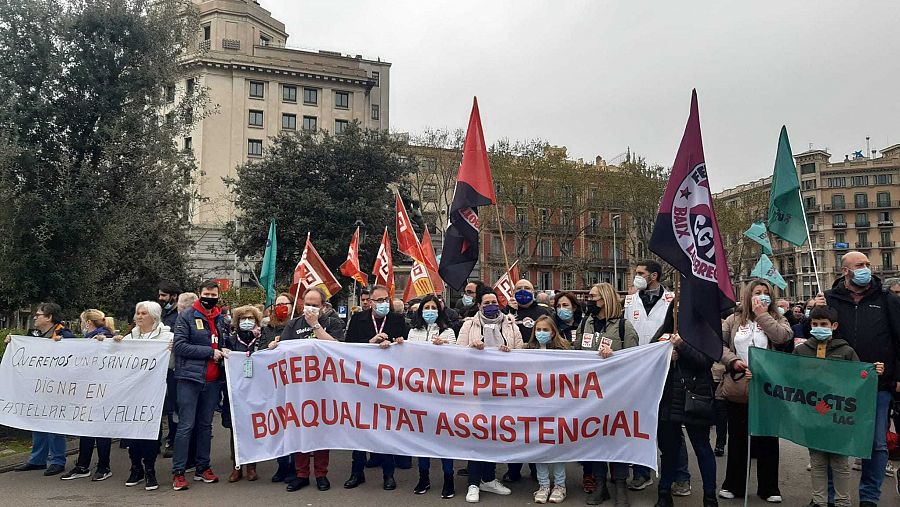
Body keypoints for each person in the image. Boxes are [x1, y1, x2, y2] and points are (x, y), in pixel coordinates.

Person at [813, 251, 900, 507]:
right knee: (831, 443)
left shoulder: (886, 299)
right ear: (845, 271)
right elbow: (816, 337)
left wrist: (897, 377)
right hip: (834, 386)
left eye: (867, 264)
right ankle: (830, 497)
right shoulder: (829, 299)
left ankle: (869, 497)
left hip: (877, 385)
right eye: (859, 265)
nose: (866, 268)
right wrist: (814, 312)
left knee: (876, 444)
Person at [719, 279, 793, 503]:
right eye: (757, 292)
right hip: (739, 386)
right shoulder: (733, 320)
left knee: (768, 439)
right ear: (748, 296)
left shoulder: (778, 318)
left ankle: (769, 487)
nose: (761, 296)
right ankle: (734, 484)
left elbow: (782, 338)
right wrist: (732, 361)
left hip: (767, 388)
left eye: (765, 293)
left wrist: (763, 315)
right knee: (738, 439)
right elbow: (719, 346)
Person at [793, 305, 874, 507]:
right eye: (815, 324)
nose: (819, 327)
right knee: (818, 461)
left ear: (834, 326)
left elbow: (858, 379)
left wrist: (873, 371)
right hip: (812, 415)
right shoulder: (801, 351)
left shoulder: (846, 351)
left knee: (839, 463)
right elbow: (787, 376)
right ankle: (820, 501)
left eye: (823, 324)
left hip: (838, 416)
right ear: (810, 324)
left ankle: (842, 502)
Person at [623, 260, 685, 493]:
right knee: (640, 423)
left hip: (666, 367)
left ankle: (681, 475)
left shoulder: (672, 300)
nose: (636, 277)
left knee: (671, 424)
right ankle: (641, 473)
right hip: (637, 368)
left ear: (654, 276)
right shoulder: (630, 301)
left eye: (640, 273)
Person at [575, 282, 638, 506]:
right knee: (596, 439)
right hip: (591, 394)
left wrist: (615, 355)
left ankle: (620, 484)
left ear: (605, 299)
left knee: (617, 439)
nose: (589, 301)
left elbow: (634, 360)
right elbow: (576, 355)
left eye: (593, 297)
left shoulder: (623, 327)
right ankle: (600, 484)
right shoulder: (586, 323)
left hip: (616, 393)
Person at [270, 288, 339, 492]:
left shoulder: (332, 322)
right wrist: (275, 345)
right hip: (298, 386)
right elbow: (283, 348)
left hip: (324, 385)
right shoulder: (293, 324)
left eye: (315, 305)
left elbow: (337, 347)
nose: (310, 307)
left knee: (320, 431)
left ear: (323, 306)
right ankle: (301, 474)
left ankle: (321, 474)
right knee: (299, 429)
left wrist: (315, 325)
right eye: (307, 303)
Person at [456, 285, 521, 503]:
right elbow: (457, 353)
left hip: (502, 389)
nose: (491, 306)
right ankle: (474, 482)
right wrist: (471, 349)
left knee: (493, 435)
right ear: (479, 306)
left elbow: (522, 353)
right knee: (478, 434)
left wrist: (510, 353)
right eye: (487, 303)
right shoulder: (469, 325)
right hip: (477, 390)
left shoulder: (511, 324)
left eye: (494, 302)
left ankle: (489, 478)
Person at [344, 285, 408, 491]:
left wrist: (398, 343)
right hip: (362, 382)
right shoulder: (358, 319)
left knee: (385, 427)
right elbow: (348, 346)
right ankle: (357, 472)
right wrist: (370, 343)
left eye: (385, 300)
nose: (382, 304)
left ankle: (388, 474)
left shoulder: (397, 320)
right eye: (378, 300)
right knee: (359, 428)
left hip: (387, 383)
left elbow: (408, 347)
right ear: (370, 302)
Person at [171, 280, 232, 491]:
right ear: (200, 295)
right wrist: (209, 352)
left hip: (213, 381)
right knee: (186, 425)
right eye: (206, 293)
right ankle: (179, 471)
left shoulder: (221, 318)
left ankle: (203, 467)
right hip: (189, 379)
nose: (210, 297)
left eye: (214, 294)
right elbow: (180, 346)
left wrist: (227, 351)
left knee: (206, 426)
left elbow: (222, 343)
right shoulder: (186, 316)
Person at [113, 301, 172, 491]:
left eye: (143, 313)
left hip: (154, 391)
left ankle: (149, 469)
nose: (139, 317)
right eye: (137, 313)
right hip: (133, 392)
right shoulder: (130, 337)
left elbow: (171, 364)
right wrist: (109, 344)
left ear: (154, 317)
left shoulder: (167, 336)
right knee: (132, 430)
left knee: (150, 432)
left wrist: (171, 351)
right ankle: (135, 467)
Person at [654, 333, 718, 507]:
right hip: (670, 398)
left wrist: (682, 346)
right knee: (669, 450)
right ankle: (664, 493)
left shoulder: (706, 332)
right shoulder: (667, 328)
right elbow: (651, 353)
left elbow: (705, 361)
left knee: (702, 448)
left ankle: (710, 497)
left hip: (695, 396)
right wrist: (666, 355)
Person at [12, 302, 74, 476]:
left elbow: (75, 358)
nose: (35, 317)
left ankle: (57, 460)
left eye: (38, 315)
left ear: (49, 317)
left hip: (57, 387)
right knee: (37, 422)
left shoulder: (65, 335)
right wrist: (13, 343)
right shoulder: (34, 334)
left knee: (54, 424)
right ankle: (37, 459)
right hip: (38, 386)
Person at [405, 294, 457, 498]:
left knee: (445, 437)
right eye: (426, 307)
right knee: (422, 437)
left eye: (433, 307)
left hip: (442, 393)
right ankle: (423, 477)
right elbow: (408, 360)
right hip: (420, 392)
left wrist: (443, 347)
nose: (430, 311)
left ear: (439, 310)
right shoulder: (413, 332)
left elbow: (455, 361)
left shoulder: (449, 332)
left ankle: (448, 478)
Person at [60, 310, 115, 482]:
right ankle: (83, 465)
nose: (80, 324)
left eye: (81, 321)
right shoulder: (89, 339)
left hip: (102, 390)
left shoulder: (103, 337)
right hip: (89, 389)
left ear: (88, 322)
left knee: (101, 429)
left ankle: (103, 466)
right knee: (87, 428)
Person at [504, 278, 551, 483]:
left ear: (534, 291)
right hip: (513, 376)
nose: (523, 291)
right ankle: (513, 468)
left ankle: (535, 467)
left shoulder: (544, 312)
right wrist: (508, 311)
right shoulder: (507, 313)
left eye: (527, 288)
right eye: (519, 289)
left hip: (536, 376)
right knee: (514, 425)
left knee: (534, 425)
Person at [525, 315, 571, 504]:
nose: (541, 333)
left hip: (557, 405)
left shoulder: (565, 350)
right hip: (535, 406)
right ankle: (543, 485)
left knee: (557, 446)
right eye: (538, 330)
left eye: (546, 330)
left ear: (553, 332)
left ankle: (560, 485)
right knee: (539, 447)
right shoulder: (526, 351)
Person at [259, 293, 297, 482]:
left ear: (292, 305)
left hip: (297, 382)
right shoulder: (268, 328)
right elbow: (259, 353)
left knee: (296, 424)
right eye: (278, 304)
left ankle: (296, 465)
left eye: (285, 303)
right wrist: (269, 346)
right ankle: (282, 465)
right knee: (280, 424)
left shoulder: (298, 326)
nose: (282, 307)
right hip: (276, 381)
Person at [224, 305, 264, 483]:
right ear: (237, 322)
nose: (247, 322)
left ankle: (252, 466)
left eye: (251, 319)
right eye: (243, 319)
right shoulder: (230, 340)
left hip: (256, 390)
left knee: (254, 426)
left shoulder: (261, 339)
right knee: (236, 429)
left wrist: (260, 342)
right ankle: (236, 466)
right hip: (235, 390)